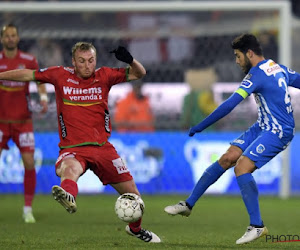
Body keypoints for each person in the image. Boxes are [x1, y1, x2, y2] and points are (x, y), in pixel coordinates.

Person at [0, 42, 161, 243]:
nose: (87, 65)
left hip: (103, 149)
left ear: (96, 60)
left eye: (91, 61)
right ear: (73, 62)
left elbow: (140, 73)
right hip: (73, 149)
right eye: (82, 61)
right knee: (70, 169)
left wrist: (129, 60)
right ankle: (68, 195)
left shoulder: (105, 76)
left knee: (135, 197)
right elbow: (28, 75)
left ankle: (135, 229)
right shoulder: (59, 75)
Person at [164, 33, 300, 244]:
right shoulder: (277, 67)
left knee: (241, 167)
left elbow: (229, 105)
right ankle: (188, 205)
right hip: (263, 126)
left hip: (278, 130)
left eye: (238, 56)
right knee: (228, 158)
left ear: (250, 53)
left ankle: (257, 225)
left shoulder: (256, 75)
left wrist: (200, 126)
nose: (237, 62)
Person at [0, 23, 48, 223]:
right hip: (1, 122)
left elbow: (40, 80)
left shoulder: (29, 60)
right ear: (2, 39)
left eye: (13, 35)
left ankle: (27, 209)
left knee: (29, 163)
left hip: (23, 121)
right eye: (7, 36)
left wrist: (43, 98)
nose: (10, 38)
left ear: (18, 38)